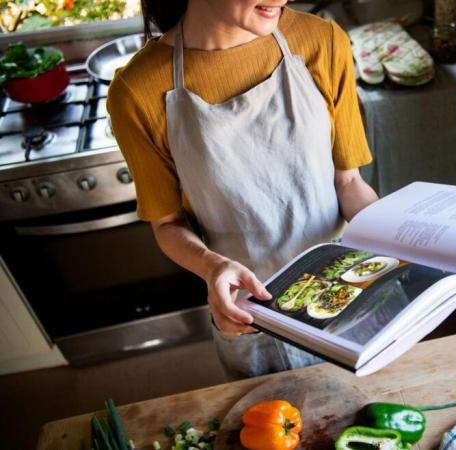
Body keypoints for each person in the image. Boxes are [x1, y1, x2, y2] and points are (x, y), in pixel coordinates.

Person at [107, 0, 378, 379]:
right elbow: (167, 224)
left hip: (348, 286)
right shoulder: (137, 90)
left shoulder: (323, 40)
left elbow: (348, 182)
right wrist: (211, 266)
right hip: (253, 313)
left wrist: (401, 240)